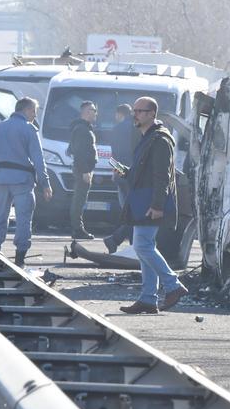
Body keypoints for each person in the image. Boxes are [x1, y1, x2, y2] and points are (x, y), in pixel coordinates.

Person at [119, 97, 187, 314]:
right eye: (134, 110)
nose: (135, 114)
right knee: (144, 247)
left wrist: (158, 205)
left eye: (140, 111)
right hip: (142, 201)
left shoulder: (159, 140)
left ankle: (173, 285)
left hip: (150, 203)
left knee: (143, 246)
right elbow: (144, 171)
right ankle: (148, 298)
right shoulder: (147, 137)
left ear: (151, 114)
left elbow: (162, 176)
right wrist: (126, 172)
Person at [0, 97, 53, 267]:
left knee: (0, 216)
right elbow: (38, 159)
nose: (34, 115)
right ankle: (20, 257)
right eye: (34, 111)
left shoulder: (1, 126)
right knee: (23, 218)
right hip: (22, 180)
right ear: (27, 110)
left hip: (2, 178)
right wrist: (45, 183)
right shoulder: (29, 129)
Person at [103, 103, 140, 253]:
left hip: (122, 174)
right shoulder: (137, 128)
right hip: (136, 174)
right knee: (135, 212)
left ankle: (124, 243)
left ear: (120, 114)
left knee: (129, 211)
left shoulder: (116, 129)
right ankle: (123, 242)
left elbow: (114, 155)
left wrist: (116, 172)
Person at [67, 100, 98, 240]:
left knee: (80, 199)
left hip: (83, 168)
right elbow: (79, 151)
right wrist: (85, 171)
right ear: (86, 112)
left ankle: (78, 228)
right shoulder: (81, 129)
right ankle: (77, 229)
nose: (95, 113)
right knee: (79, 200)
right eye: (93, 110)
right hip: (82, 170)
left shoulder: (84, 127)